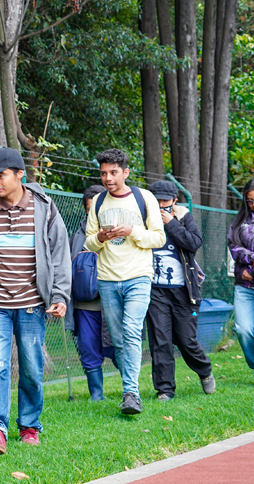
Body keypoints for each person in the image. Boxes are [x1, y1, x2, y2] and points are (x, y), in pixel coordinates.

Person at [0, 147, 71, 454]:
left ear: (20, 175)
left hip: (32, 303)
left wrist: (60, 294)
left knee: (32, 367)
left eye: (1, 176)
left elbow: (60, 254)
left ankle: (30, 425)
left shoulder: (44, 208)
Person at [84, 149, 165, 415]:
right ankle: (129, 387)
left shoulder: (145, 198)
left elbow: (159, 238)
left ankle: (131, 393)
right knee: (119, 338)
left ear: (125, 172)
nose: (108, 178)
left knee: (131, 330)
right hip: (107, 280)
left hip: (138, 276)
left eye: (113, 172)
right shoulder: (97, 202)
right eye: (104, 173)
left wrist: (131, 231)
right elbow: (89, 242)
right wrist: (103, 238)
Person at [146, 181, 215, 401]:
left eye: (165, 201)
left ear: (174, 201)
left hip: (184, 291)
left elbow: (194, 243)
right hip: (156, 290)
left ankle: (204, 371)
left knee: (186, 340)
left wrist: (172, 224)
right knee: (161, 340)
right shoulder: (144, 220)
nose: (160, 205)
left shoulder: (184, 217)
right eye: (156, 201)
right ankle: (165, 389)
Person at [66, 184, 118, 401]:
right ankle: (96, 394)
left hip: (112, 302)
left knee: (119, 347)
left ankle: (131, 390)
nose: (94, 212)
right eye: (90, 208)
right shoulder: (78, 234)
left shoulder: (119, 230)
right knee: (88, 348)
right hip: (84, 306)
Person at [228, 178, 254, 384]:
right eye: (250, 201)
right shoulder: (239, 221)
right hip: (245, 286)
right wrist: (251, 264)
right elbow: (233, 246)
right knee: (244, 329)